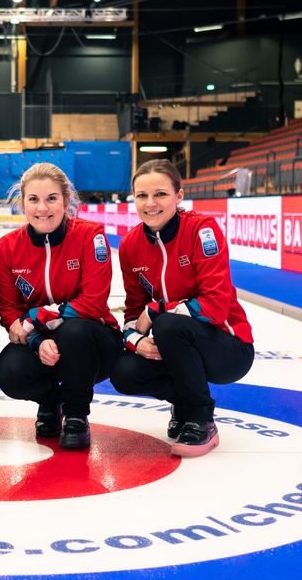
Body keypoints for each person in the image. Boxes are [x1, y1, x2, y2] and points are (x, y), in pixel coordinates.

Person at [111, 159, 254, 457]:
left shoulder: (202, 230)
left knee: (167, 325)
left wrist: (159, 310)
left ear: (178, 196)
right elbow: (133, 313)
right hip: (172, 343)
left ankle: (201, 418)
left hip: (228, 348)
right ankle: (184, 401)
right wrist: (137, 343)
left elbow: (215, 306)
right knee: (124, 371)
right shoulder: (130, 245)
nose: (150, 203)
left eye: (160, 194)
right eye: (141, 196)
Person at [0, 163, 122, 450]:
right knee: (9, 372)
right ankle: (51, 403)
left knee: (74, 331)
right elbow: (9, 310)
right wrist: (37, 339)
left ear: (66, 200)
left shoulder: (90, 236)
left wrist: (37, 318)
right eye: (34, 199)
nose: (42, 208)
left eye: (51, 198)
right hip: (40, 341)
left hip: (94, 343)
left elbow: (92, 302)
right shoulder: (9, 247)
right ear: (22, 203)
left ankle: (76, 414)